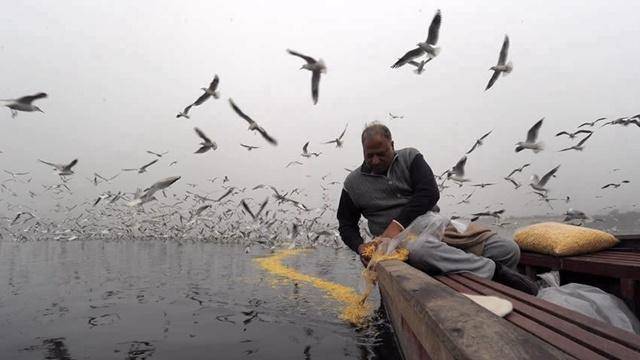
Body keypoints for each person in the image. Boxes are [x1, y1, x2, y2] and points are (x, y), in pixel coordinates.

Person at [337, 123, 538, 295]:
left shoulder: (410, 157)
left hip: (436, 227)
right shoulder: (353, 183)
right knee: (421, 250)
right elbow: (346, 224)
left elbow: (429, 193)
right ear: (363, 151)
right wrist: (360, 247)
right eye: (369, 155)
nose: (375, 161)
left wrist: (396, 225)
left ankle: (496, 291)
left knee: (509, 250)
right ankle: (496, 273)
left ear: (392, 145)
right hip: (396, 245)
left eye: (381, 154)